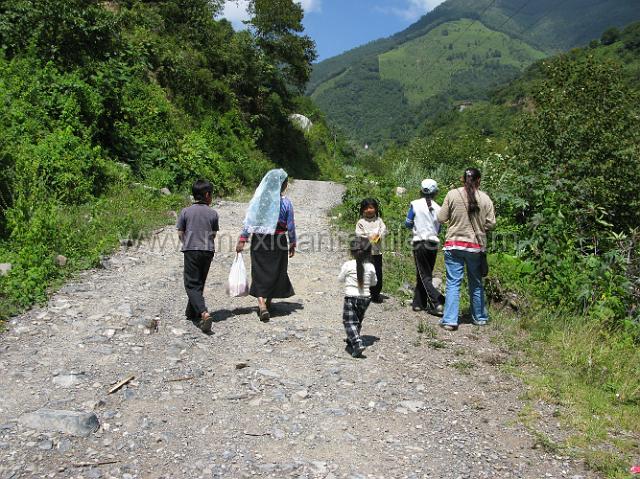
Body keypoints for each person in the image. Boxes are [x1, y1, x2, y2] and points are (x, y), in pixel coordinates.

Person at [437, 168, 496, 331]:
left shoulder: (452, 194)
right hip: (475, 246)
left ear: (463, 179)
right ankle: (480, 318)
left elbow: (441, 218)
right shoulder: (485, 198)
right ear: (479, 181)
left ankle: (450, 320)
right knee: (476, 283)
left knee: (453, 283)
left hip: (454, 244)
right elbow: (491, 223)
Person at [235, 169, 296, 322]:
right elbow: (290, 225)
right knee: (277, 271)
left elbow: (250, 221)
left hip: (260, 240)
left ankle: (261, 303)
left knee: (259, 270)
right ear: (283, 185)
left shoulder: (260, 200)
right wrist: (293, 243)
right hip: (279, 241)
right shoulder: (286, 203)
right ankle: (268, 303)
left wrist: (243, 239)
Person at [176, 179, 219, 334]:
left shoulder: (185, 212)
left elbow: (181, 232)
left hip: (191, 250)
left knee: (191, 284)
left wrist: (186, 242)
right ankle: (191, 312)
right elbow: (213, 234)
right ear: (207, 195)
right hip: (208, 251)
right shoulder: (213, 213)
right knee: (199, 281)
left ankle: (203, 313)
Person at [405, 179, 445, 315]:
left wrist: (417, 225)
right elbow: (439, 229)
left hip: (420, 243)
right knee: (424, 273)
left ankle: (438, 302)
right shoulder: (439, 208)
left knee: (424, 275)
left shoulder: (415, 205)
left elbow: (408, 223)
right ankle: (418, 303)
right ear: (436, 193)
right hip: (433, 243)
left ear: (420, 191)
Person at [338, 238, 377, 358]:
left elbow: (340, 279)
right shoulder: (370, 266)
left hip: (351, 297)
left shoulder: (348, 265)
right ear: (368, 252)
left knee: (349, 321)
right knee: (358, 320)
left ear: (351, 251)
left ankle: (356, 342)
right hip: (365, 298)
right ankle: (352, 338)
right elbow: (374, 283)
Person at [355, 198, 387, 303]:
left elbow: (384, 230)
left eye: (371, 207)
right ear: (363, 210)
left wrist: (379, 235)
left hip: (377, 253)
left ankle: (376, 293)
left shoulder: (379, 221)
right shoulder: (361, 222)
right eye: (366, 208)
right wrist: (370, 236)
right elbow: (359, 234)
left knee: (377, 273)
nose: (369, 210)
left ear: (376, 209)